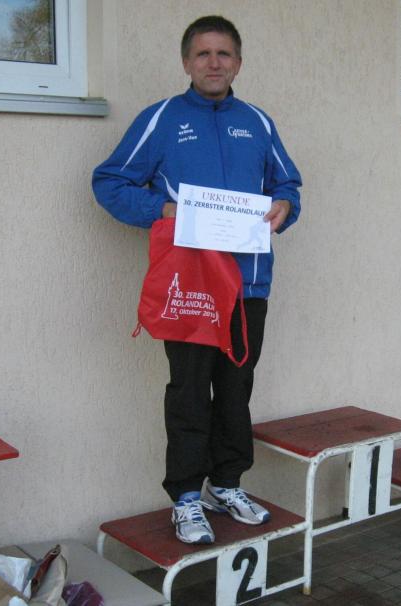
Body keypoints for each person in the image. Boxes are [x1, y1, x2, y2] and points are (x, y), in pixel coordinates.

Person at [92, 16, 302, 544]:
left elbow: (287, 185)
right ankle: (186, 496)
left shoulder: (258, 122)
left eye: (224, 54)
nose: (214, 63)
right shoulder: (162, 118)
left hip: (248, 284)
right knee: (188, 392)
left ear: (238, 63)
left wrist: (284, 206)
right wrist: (162, 209)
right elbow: (109, 182)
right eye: (203, 54)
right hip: (191, 288)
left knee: (236, 390)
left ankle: (226, 484)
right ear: (186, 62)